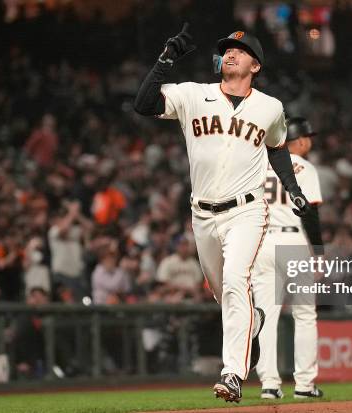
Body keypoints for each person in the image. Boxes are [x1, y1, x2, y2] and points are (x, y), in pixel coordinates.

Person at [134, 24, 314, 402]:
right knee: (225, 293)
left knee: (235, 281)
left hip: (247, 212)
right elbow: (144, 103)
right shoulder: (194, 95)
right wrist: (167, 59)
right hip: (202, 215)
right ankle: (254, 322)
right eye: (227, 49)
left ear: (256, 66)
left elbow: (278, 148)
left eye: (240, 49)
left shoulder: (270, 107)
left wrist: (293, 190)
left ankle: (233, 373)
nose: (230, 53)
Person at [252, 117, 324, 399]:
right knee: (305, 315)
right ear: (301, 140)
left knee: (266, 315)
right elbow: (311, 213)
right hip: (294, 241)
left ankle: (269, 384)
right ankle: (305, 385)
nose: (311, 142)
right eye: (309, 137)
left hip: (262, 242)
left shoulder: (258, 165)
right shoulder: (304, 167)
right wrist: (318, 252)